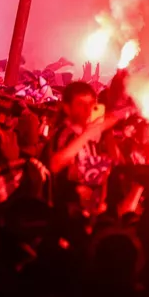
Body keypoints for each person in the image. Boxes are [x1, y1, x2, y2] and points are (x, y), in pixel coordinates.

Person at [45, 82, 127, 214]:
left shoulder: (89, 136)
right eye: (80, 104)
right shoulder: (66, 133)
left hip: (87, 211)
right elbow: (55, 164)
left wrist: (106, 131)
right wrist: (91, 132)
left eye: (91, 104)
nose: (88, 109)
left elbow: (117, 164)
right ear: (67, 108)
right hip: (67, 213)